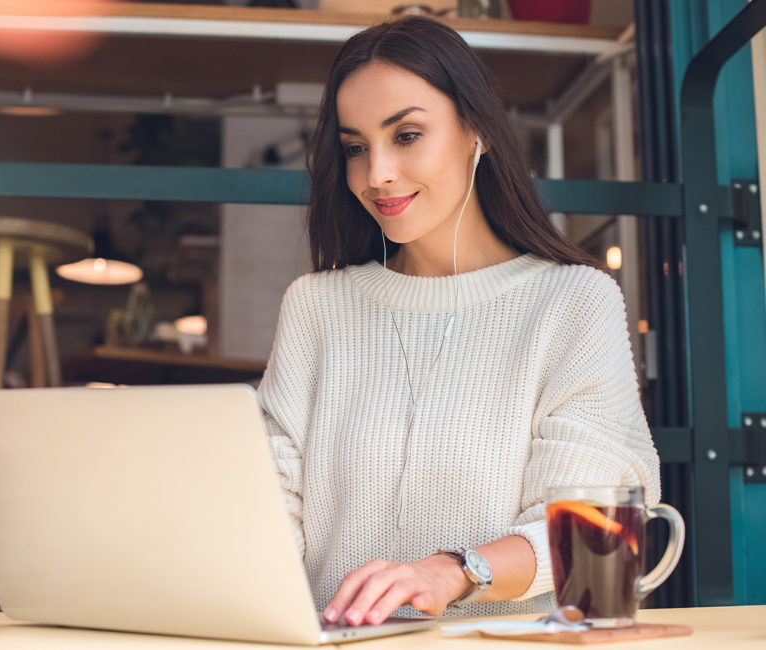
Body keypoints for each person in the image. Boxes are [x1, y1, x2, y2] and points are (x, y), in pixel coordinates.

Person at [256, 16, 661, 625]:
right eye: (355, 148)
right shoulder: (317, 307)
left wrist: (452, 572)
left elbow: (593, 528)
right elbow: (269, 508)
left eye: (408, 135)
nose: (377, 174)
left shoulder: (573, 301)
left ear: (477, 132)